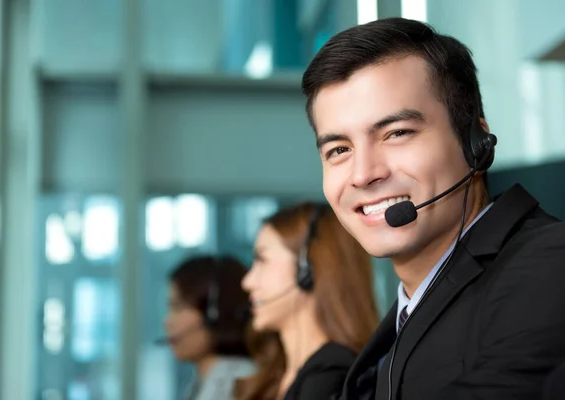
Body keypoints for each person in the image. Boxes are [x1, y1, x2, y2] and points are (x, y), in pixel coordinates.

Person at [301, 17, 565, 400]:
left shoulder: (548, 264)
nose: (363, 175)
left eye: (396, 134)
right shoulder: (407, 315)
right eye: (339, 150)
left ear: (476, 142)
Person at [234, 202, 379, 400]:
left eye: (262, 260)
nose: (247, 282)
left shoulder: (331, 376)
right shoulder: (276, 372)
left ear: (307, 271)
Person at [164, 255, 256, 400]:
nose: (167, 321)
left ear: (215, 314)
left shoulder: (241, 384)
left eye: (178, 307)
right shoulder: (203, 380)